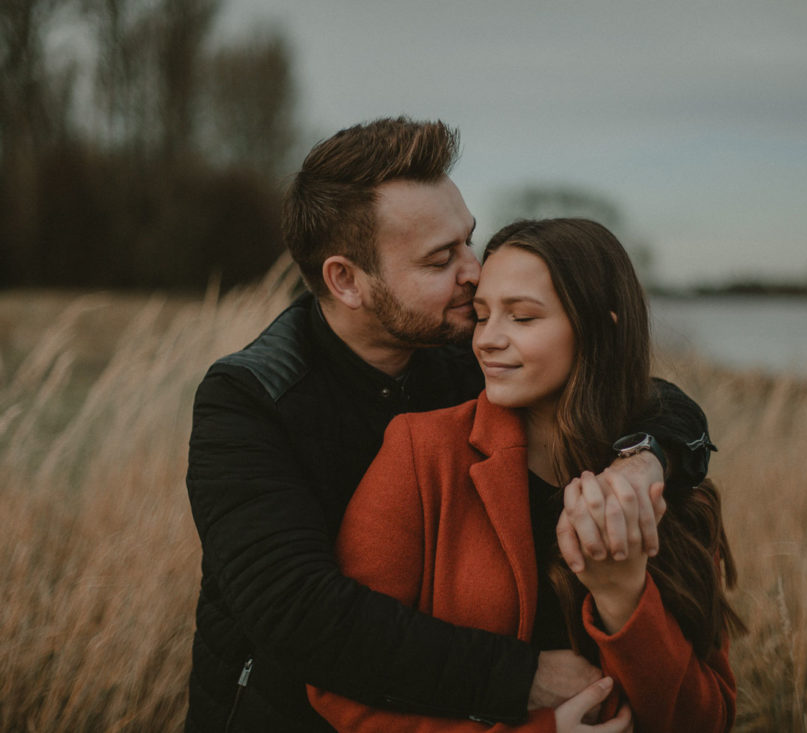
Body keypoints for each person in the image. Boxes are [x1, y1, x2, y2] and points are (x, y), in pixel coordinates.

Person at [185, 118, 719, 732]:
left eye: (469, 240)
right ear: (347, 280)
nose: (474, 270)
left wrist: (645, 457)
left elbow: (636, 393)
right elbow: (297, 613)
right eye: (442, 258)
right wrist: (523, 677)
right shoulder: (250, 401)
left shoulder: (469, 352)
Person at [308, 218, 744, 732]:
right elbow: (340, 685)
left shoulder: (661, 484)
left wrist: (623, 594)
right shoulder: (422, 453)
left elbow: (708, 719)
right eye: (482, 314)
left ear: (600, 327)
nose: (488, 340)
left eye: (522, 317)